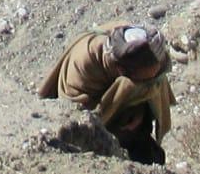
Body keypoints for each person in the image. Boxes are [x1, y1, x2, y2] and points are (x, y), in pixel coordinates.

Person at [37, 23, 175, 164]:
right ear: (122, 71)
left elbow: (147, 87)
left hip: (122, 116)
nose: (151, 82)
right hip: (91, 126)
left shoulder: (140, 44)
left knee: (151, 155)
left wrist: (139, 110)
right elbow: (77, 120)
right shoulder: (83, 65)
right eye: (145, 80)